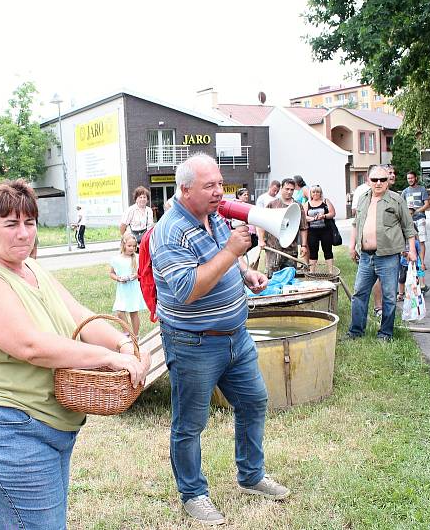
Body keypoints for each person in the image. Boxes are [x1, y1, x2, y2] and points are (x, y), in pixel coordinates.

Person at [0, 180, 149, 530]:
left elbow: (79, 315)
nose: (23, 234)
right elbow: (31, 346)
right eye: (10, 224)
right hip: (3, 426)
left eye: (29, 223)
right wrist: (108, 359)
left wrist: (123, 344)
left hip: (45, 425)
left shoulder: (32, 269)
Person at [151, 153, 288, 526]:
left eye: (219, 183)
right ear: (185, 190)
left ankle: (251, 475)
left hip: (235, 336)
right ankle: (193, 494)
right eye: (209, 186)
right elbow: (187, 290)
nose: (218, 192)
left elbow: (225, 257)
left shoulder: (213, 216)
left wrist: (245, 272)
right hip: (194, 343)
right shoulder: (169, 233)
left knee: (254, 401)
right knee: (190, 424)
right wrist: (231, 252)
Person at [347, 165, 417, 341]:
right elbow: (356, 223)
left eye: (382, 179)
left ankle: (385, 333)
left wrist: (412, 250)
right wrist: (351, 246)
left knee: (389, 296)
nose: (378, 183)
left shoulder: (396, 200)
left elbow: (408, 227)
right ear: (368, 180)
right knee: (359, 294)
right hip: (365, 256)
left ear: (388, 181)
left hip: (388, 256)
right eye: (374, 179)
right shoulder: (363, 198)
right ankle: (356, 332)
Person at [260, 178, 308, 275]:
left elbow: (303, 227)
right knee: (272, 277)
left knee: (288, 277)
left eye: (292, 190)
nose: (289, 192)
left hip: (291, 249)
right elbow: (261, 223)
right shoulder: (272, 205)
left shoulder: (298, 206)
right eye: (287, 189)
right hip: (273, 248)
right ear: (281, 188)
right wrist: (261, 240)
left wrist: (303, 245)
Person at [109, 232, 146, 336]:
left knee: (133, 312)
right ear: (123, 245)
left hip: (133, 289)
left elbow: (142, 273)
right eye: (129, 246)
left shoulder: (137, 258)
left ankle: (135, 335)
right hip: (122, 289)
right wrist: (118, 278)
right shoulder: (116, 259)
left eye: (134, 246)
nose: (132, 248)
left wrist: (136, 275)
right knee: (120, 312)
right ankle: (127, 332)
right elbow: (111, 273)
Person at [303, 185, 336, 274]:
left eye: (317, 191)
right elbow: (303, 217)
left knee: (328, 250)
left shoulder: (325, 201)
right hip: (312, 231)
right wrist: (313, 218)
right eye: (313, 192)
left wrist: (324, 216)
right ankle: (312, 272)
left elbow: (332, 213)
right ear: (311, 193)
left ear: (320, 193)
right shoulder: (307, 204)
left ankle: (330, 272)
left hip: (325, 230)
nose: (315, 193)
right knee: (313, 252)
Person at [401, 171, 430, 267]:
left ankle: (422, 263)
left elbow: (427, 204)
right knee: (410, 240)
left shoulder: (422, 189)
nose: (410, 180)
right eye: (408, 178)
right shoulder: (405, 192)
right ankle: (411, 262)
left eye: (412, 178)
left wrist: (417, 211)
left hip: (420, 218)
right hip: (409, 220)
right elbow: (402, 206)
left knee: (421, 240)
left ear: (416, 178)